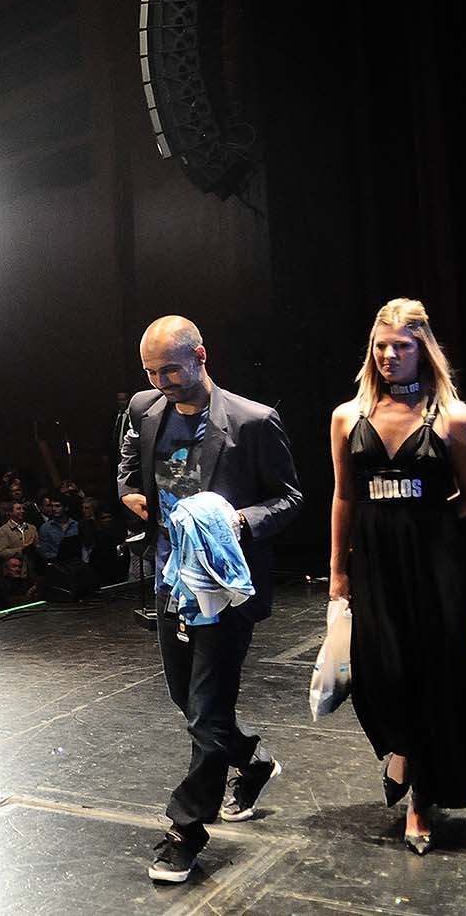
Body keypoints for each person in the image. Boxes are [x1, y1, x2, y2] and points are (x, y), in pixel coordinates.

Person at [118, 315, 303, 883]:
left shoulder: (252, 422)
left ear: (201, 355)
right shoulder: (144, 410)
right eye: (151, 371)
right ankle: (251, 761)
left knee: (204, 709)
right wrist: (128, 492)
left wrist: (236, 520)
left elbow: (291, 498)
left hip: (223, 590)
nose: (160, 380)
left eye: (169, 368)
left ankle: (185, 831)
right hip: (169, 581)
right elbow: (128, 465)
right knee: (187, 699)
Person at [327, 299, 466, 853]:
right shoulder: (350, 415)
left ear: (424, 349)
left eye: (403, 346)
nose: (391, 355)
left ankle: (420, 800)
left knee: (428, 674)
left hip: (435, 567)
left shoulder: (453, 417)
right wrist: (337, 573)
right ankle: (400, 750)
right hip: (373, 563)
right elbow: (344, 495)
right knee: (378, 672)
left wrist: (431, 532)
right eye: (382, 346)